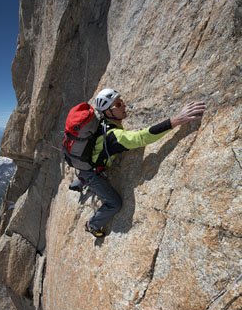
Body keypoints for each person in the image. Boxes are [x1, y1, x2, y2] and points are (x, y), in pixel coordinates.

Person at [79, 88, 206, 237]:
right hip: (92, 173)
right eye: (118, 104)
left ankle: (80, 180)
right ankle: (92, 225)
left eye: (121, 101)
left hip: (88, 162)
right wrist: (176, 120)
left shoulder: (104, 123)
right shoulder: (113, 137)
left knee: (87, 172)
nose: (124, 105)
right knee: (115, 204)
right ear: (108, 112)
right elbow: (141, 138)